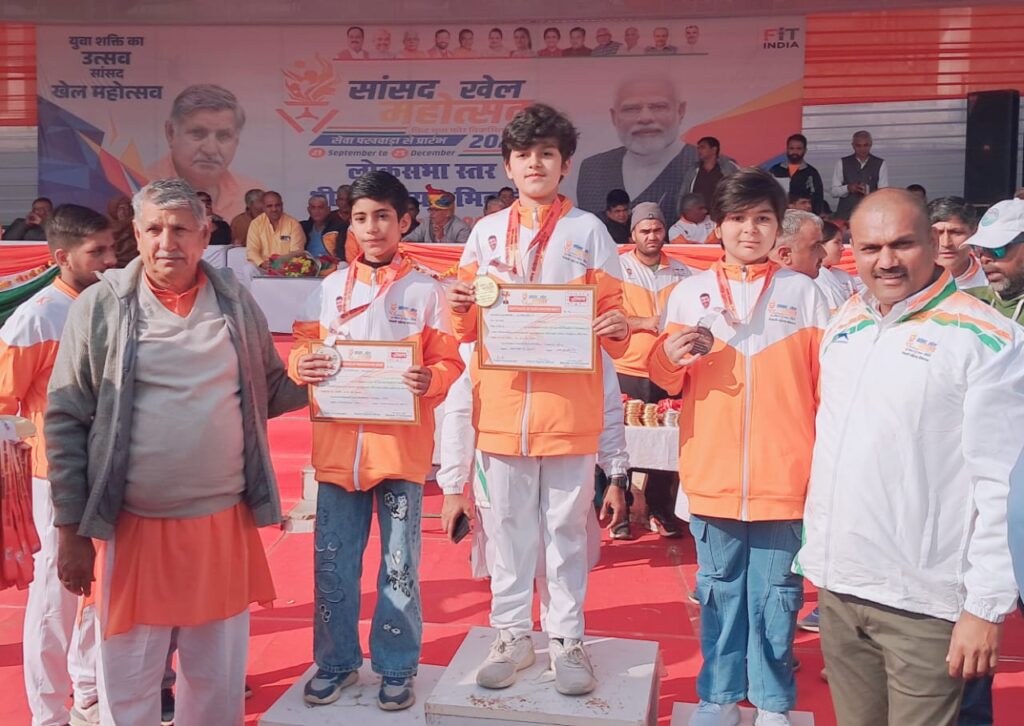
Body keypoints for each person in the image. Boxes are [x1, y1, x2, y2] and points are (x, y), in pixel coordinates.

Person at [45, 178, 308, 724]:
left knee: (216, 687)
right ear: (136, 235)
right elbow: (66, 418)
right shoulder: (101, 306)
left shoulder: (235, 300)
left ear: (205, 235)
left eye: (181, 229)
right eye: (155, 229)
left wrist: (312, 374)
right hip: (133, 529)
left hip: (221, 525)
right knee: (128, 687)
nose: (168, 242)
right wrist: (70, 530)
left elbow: (270, 390)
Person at [798, 189, 1024, 726]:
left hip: (924, 604)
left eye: (902, 244)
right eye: (870, 247)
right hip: (839, 590)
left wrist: (985, 607)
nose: (887, 261)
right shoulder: (846, 323)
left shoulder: (990, 340)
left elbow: (1003, 484)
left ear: (935, 242)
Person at [444, 103, 630, 697]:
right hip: (500, 414)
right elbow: (464, 327)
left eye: (547, 154)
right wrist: (458, 306)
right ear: (508, 165)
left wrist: (617, 326)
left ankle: (567, 639)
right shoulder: (484, 234)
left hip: (568, 413)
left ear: (565, 163)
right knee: (507, 531)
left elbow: (615, 316)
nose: (535, 164)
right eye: (523, 155)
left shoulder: (589, 232)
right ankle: (511, 635)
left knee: (566, 531)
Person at [649, 168, 829, 726]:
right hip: (712, 474)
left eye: (761, 219)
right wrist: (668, 357)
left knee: (778, 597)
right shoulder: (688, 293)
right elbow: (664, 380)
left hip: (785, 478)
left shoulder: (805, 294)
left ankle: (773, 703)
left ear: (778, 228)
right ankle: (720, 697)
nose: (749, 230)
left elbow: (826, 389)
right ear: (717, 226)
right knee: (719, 593)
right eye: (737, 218)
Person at [291, 171, 463, 711]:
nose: (371, 228)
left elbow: (449, 361)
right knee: (333, 564)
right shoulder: (329, 288)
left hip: (399, 452)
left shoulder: (426, 290)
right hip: (337, 452)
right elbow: (303, 350)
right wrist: (302, 364)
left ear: (404, 221)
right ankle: (336, 662)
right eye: (361, 218)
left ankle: (396, 666)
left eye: (383, 216)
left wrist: (431, 380)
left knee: (399, 567)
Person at [1, 205, 116, 726]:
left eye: (111, 249)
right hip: (54, 480)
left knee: (99, 591)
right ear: (62, 257)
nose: (110, 260)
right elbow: (3, 402)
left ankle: (88, 691)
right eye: (97, 252)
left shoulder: (109, 305)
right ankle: (46, 714)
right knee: (54, 600)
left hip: (109, 472)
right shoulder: (38, 317)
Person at [964, 198, 1024, 726]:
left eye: (1001, 249)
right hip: (987, 495)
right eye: (982, 250)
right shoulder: (973, 307)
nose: (987, 259)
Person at [614, 202, 692, 538]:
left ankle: (660, 508)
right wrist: (645, 322)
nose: (652, 236)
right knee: (621, 442)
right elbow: (606, 316)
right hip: (627, 368)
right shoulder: (616, 269)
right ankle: (622, 508)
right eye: (644, 230)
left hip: (668, 370)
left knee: (667, 440)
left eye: (657, 229)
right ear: (633, 234)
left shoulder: (683, 273)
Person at [577, 76, 697, 223]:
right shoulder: (593, 169)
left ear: (680, 111)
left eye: (658, 107)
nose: (645, 118)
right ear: (614, 116)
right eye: (631, 109)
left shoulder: (705, 165)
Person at [146, 84, 262, 221]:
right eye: (197, 133)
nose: (210, 150)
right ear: (171, 133)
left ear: (236, 141)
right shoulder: (141, 187)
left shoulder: (252, 193)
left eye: (223, 136)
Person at [928, 196, 988, 290]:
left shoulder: (990, 278)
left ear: (973, 233)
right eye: (938, 233)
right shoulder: (909, 281)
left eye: (956, 232)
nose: (946, 243)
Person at [831, 130, 889, 220]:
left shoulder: (880, 163)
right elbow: (834, 192)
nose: (862, 149)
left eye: (866, 145)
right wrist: (848, 188)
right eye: (858, 146)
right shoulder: (842, 162)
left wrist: (869, 193)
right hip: (846, 216)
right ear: (853, 145)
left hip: (870, 215)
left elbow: (883, 194)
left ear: (871, 144)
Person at [246, 191, 306, 268]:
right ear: (263, 207)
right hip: (263, 267)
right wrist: (262, 263)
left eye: (277, 205)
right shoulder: (256, 224)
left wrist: (280, 262)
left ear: (282, 205)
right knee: (248, 268)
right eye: (269, 206)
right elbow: (252, 250)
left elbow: (297, 252)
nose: (274, 209)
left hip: (287, 267)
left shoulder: (293, 224)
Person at [811, 220, 859, 316]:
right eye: (837, 242)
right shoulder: (808, 278)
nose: (842, 248)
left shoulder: (845, 277)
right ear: (819, 245)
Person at [768, 134, 825, 215]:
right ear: (787, 149)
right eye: (791, 148)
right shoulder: (775, 170)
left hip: (803, 216)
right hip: (779, 215)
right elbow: (767, 194)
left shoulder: (811, 172)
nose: (795, 152)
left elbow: (817, 198)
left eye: (799, 149)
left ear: (805, 150)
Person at [681, 137, 740, 212]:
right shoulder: (693, 169)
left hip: (720, 213)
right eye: (698, 148)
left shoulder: (728, 168)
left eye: (702, 147)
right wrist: (681, 211)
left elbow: (737, 189)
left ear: (714, 149)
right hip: (697, 215)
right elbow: (684, 193)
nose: (699, 151)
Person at [403, 187, 471, 244]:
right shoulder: (427, 222)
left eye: (436, 210)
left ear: (448, 213)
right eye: (430, 210)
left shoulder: (462, 228)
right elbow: (408, 239)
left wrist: (440, 238)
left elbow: (462, 252)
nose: (431, 213)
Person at [301, 194, 348, 260]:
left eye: (321, 207)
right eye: (313, 208)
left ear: (328, 209)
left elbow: (341, 254)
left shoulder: (339, 227)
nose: (317, 211)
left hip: (332, 264)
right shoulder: (302, 227)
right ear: (309, 210)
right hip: (308, 264)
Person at [107, 194, 139, 266]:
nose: (124, 212)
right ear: (113, 210)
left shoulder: (136, 226)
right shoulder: (104, 227)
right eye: (121, 209)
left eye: (127, 209)